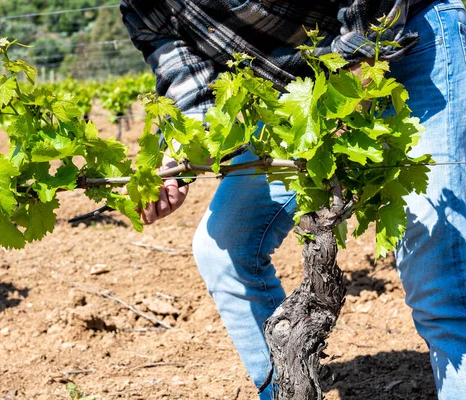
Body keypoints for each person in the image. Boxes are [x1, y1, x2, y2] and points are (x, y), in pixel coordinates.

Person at [120, 0, 466, 398]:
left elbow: (378, 10)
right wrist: (180, 156)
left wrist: (343, 109)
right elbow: (190, 88)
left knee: (442, 274)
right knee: (224, 249)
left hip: (408, 37)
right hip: (296, 96)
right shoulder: (141, 7)